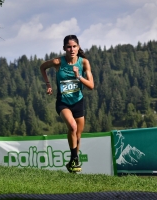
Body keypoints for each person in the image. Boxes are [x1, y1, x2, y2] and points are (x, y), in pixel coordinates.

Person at [40, 35, 94, 173]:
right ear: (64, 48)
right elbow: (42, 67)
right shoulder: (58, 62)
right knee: (72, 126)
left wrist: (79, 76)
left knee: (78, 135)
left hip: (78, 102)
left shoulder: (84, 63)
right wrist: (48, 84)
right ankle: (75, 159)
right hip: (63, 102)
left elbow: (91, 86)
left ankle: (73, 161)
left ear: (78, 47)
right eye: (69, 47)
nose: (72, 49)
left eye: (74, 46)